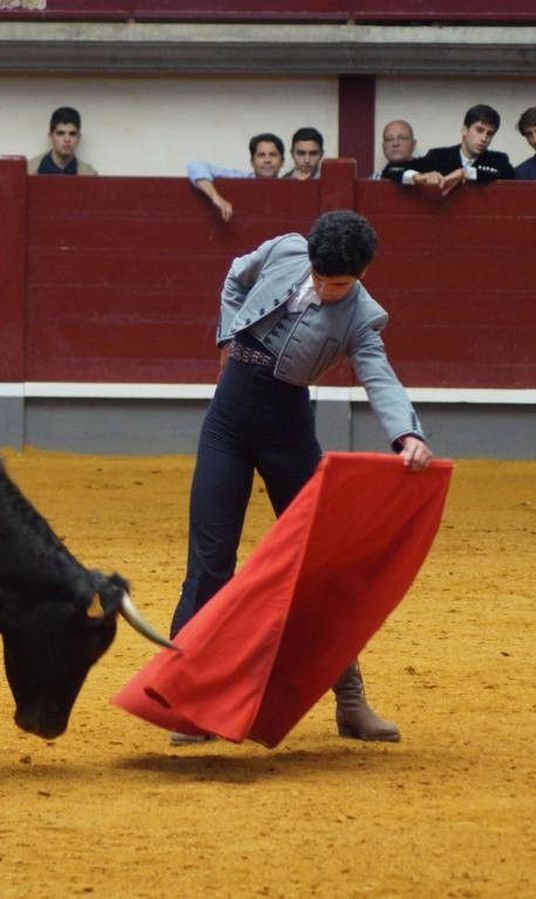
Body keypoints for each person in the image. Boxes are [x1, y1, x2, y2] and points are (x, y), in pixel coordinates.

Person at [168, 209, 434, 746]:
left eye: (336, 283)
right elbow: (235, 274)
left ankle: (350, 701)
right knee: (209, 562)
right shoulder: (287, 248)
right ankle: (185, 701)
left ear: (360, 275)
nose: (323, 288)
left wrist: (406, 433)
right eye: (318, 276)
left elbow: (380, 375)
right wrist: (226, 336)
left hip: (288, 434)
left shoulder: (362, 316)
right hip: (226, 423)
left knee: (320, 567)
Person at [381, 104, 515, 196]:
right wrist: (418, 177)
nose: (484, 138)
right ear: (464, 130)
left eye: (489, 133)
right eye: (479, 130)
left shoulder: (498, 160)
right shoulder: (438, 157)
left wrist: (464, 173)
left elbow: (514, 181)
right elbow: (391, 170)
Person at [186, 132, 285, 222]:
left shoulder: (290, 187)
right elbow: (196, 166)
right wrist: (216, 197)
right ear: (252, 162)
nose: (267, 160)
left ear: (282, 161)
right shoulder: (240, 178)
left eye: (272, 155)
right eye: (261, 155)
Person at [29, 106, 96, 176]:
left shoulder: (89, 174)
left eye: (72, 134)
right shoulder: (29, 171)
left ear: (78, 138)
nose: (67, 139)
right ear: (50, 137)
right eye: (60, 133)